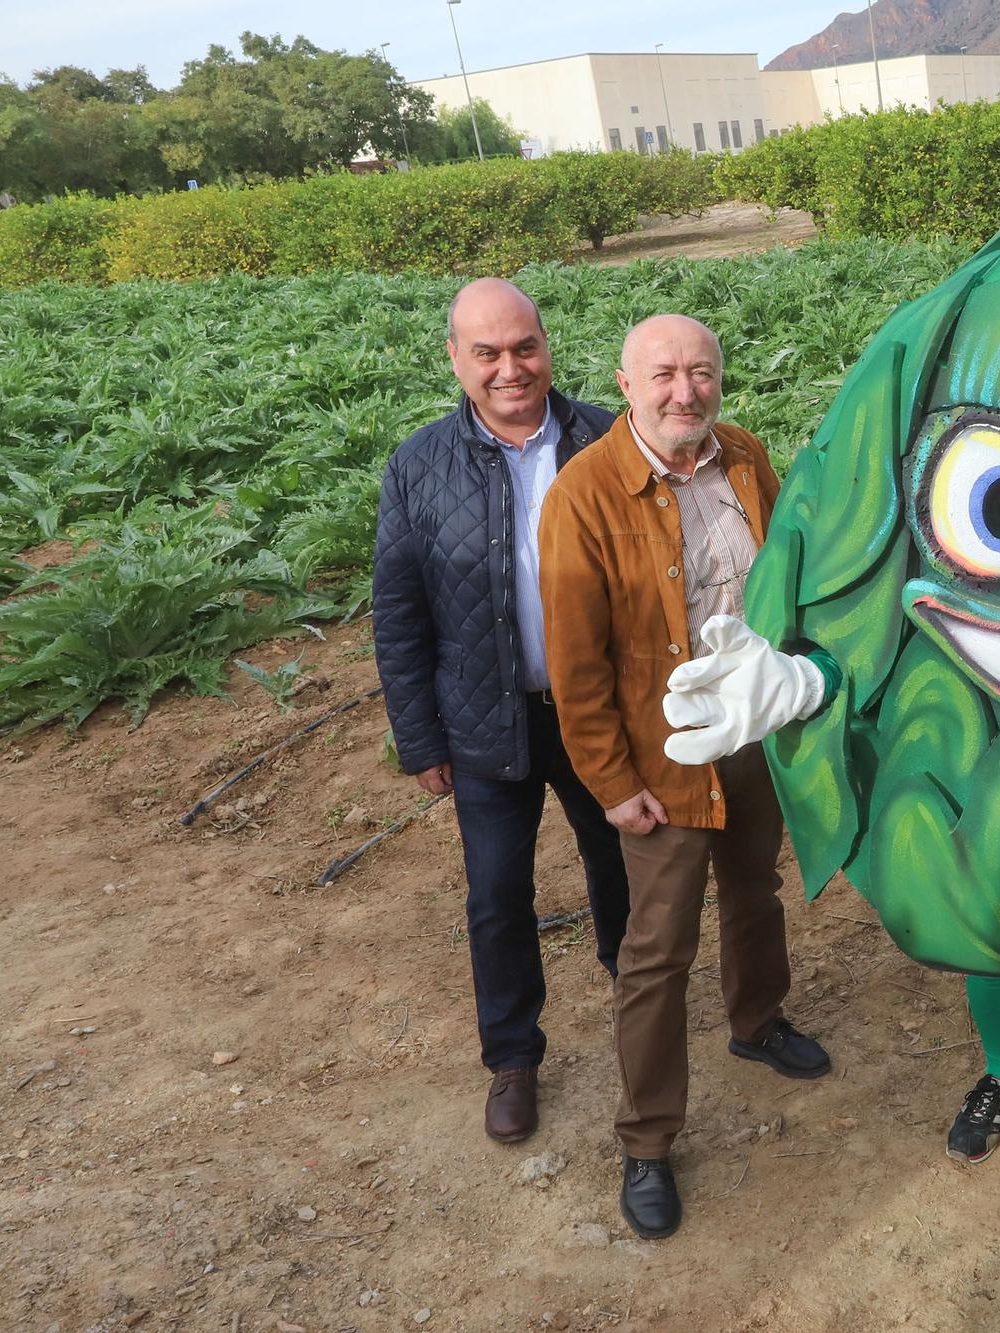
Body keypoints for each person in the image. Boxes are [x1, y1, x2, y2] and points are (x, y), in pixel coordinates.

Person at [539, 313, 831, 1241]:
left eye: (701, 372)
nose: (685, 392)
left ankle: (758, 1017)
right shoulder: (584, 493)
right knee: (657, 948)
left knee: (756, 887)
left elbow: (784, 578)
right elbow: (574, 666)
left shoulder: (743, 456)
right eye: (663, 374)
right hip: (661, 759)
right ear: (624, 384)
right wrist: (610, 780)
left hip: (752, 733)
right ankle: (649, 1139)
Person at [372, 278, 632, 1144]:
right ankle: (513, 1057)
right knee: (496, 894)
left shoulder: (611, 436)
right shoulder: (419, 465)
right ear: (456, 359)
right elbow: (400, 613)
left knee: (621, 871)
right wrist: (419, 737)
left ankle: (639, 1015)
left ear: (548, 346)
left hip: (602, 713)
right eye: (487, 353)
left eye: (524, 347)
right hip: (485, 717)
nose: (510, 368)